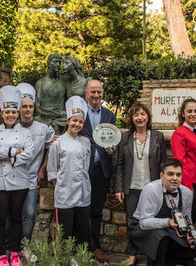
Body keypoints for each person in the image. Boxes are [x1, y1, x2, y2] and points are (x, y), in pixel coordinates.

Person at [115, 102, 167, 266]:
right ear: (132, 118)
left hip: (153, 187)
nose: (140, 117)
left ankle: (153, 252)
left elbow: (164, 163)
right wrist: (119, 188)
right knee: (131, 222)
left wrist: (164, 186)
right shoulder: (125, 137)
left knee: (154, 220)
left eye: (143, 114)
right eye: (136, 114)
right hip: (132, 187)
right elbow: (120, 165)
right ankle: (132, 254)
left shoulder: (157, 136)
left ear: (148, 117)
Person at [128, 158, 196, 266]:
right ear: (161, 175)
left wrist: (189, 235)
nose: (175, 178)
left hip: (170, 229)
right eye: (170, 174)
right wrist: (169, 222)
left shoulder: (187, 193)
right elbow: (144, 222)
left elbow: (187, 221)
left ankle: (176, 261)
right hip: (142, 228)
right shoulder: (151, 189)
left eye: (178, 175)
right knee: (160, 236)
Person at [0, 86, 34, 266]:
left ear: (17, 113)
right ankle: (1, 255)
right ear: (2, 113)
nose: (10, 115)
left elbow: (28, 154)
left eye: (13, 112)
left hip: (20, 182)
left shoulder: (25, 132)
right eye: (7, 112)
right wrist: (16, 151)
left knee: (16, 217)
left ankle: (14, 253)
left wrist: (5, 153)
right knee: (0, 219)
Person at [47, 96, 93, 253]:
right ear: (68, 121)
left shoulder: (86, 142)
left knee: (83, 233)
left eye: (80, 122)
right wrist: (61, 187)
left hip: (83, 194)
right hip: (65, 196)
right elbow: (52, 171)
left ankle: (81, 259)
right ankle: (63, 259)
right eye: (74, 120)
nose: (77, 124)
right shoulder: (57, 143)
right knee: (63, 233)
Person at [16, 83, 56, 248]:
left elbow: (51, 148)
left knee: (30, 213)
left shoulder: (44, 127)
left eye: (30, 107)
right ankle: (10, 247)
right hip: (12, 178)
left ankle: (25, 246)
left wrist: (42, 168)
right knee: (12, 215)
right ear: (19, 108)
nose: (27, 110)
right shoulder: (12, 127)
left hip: (32, 178)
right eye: (24, 107)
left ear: (34, 108)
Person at [83, 80, 116, 262]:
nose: (96, 95)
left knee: (96, 210)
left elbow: (112, 139)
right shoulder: (79, 114)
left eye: (99, 92)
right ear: (86, 92)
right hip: (83, 170)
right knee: (81, 210)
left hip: (101, 170)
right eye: (93, 92)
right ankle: (80, 247)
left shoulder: (109, 115)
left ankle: (95, 248)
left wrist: (112, 149)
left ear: (103, 93)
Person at [171, 98, 196, 222]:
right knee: (186, 219)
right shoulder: (179, 133)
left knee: (193, 216)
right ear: (183, 113)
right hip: (190, 182)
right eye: (189, 111)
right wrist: (188, 186)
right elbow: (180, 161)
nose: (193, 114)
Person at [35, 54, 66, 133]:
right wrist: (52, 115)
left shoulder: (64, 81)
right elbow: (37, 107)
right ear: (48, 64)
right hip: (44, 116)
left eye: (59, 63)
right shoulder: (40, 83)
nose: (58, 65)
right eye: (55, 62)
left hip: (61, 117)